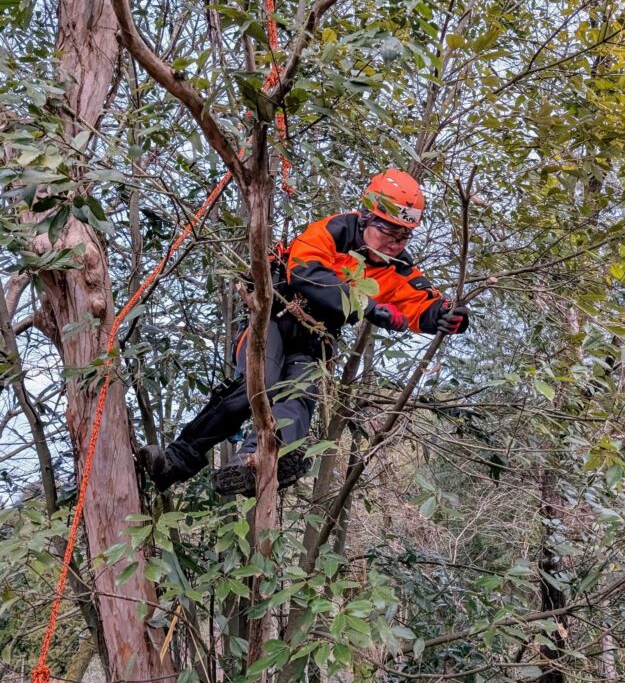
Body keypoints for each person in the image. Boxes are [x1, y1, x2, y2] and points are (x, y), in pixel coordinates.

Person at [141, 169, 469, 496]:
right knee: (257, 385)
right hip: (274, 317)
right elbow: (305, 271)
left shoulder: (397, 268)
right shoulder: (333, 230)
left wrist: (446, 316)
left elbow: (423, 303)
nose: (395, 243)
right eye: (389, 232)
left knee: (296, 400)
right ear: (368, 216)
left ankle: (253, 462)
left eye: (404, 236)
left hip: (315, 341)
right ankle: (175, 462)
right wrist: (366, 306)